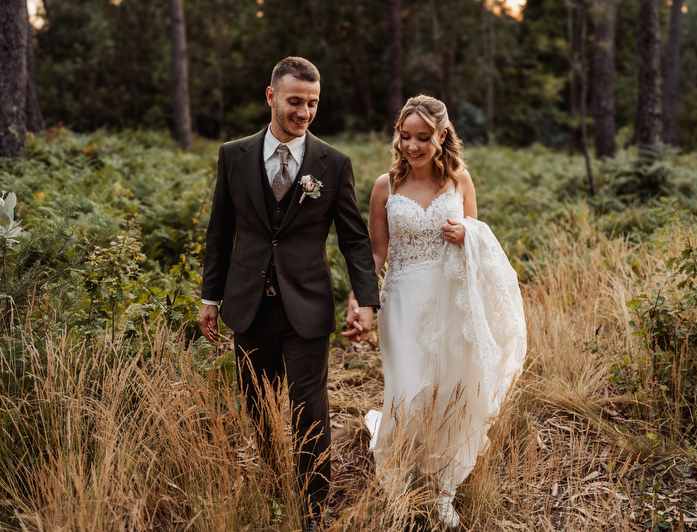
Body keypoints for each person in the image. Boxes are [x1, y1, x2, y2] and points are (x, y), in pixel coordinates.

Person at [198, 56, 380, 532]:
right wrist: (210, 298)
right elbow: (220, 231)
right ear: (271, 96)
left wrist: (366, 301)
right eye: (295, 101)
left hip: (307, 306)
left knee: (309, 409)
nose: (304, 112)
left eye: (313, 103)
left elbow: (354, 240)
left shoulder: (333, 163)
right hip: (248, 303)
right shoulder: (233, 155)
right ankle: (276, 480)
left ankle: (313, 506)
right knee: (257, 402)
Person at [347, 95, 526, 528]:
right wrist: (360, 298)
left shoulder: (460, 180)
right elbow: (376, 252)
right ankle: (398, 479)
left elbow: (478, 238)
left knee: (450, 388)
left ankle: (444, 487)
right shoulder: (385, 186)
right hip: (402, 302)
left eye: (423, 137)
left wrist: (467, 234)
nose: (412, 146)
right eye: (405, 136)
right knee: (408, 390)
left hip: (450, 300)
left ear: (442, 136)